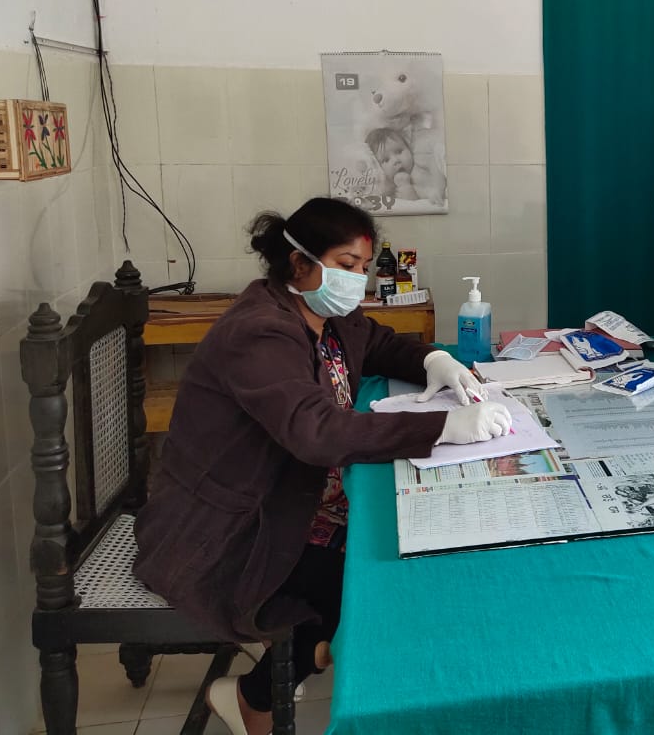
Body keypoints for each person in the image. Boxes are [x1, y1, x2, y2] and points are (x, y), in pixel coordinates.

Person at [133, 196, 511, 735]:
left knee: (410, 556)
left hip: (296, 499)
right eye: (344, 265)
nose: (356, 281)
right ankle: (252, 698)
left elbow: (376, 341)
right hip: (230, 528)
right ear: (299, 262)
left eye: (361, 268)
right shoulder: (260, 331)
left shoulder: (324, 313)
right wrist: (441, 428)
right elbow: (317, 432)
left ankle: (265, 690)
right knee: (371, 588)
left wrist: (435, 359)